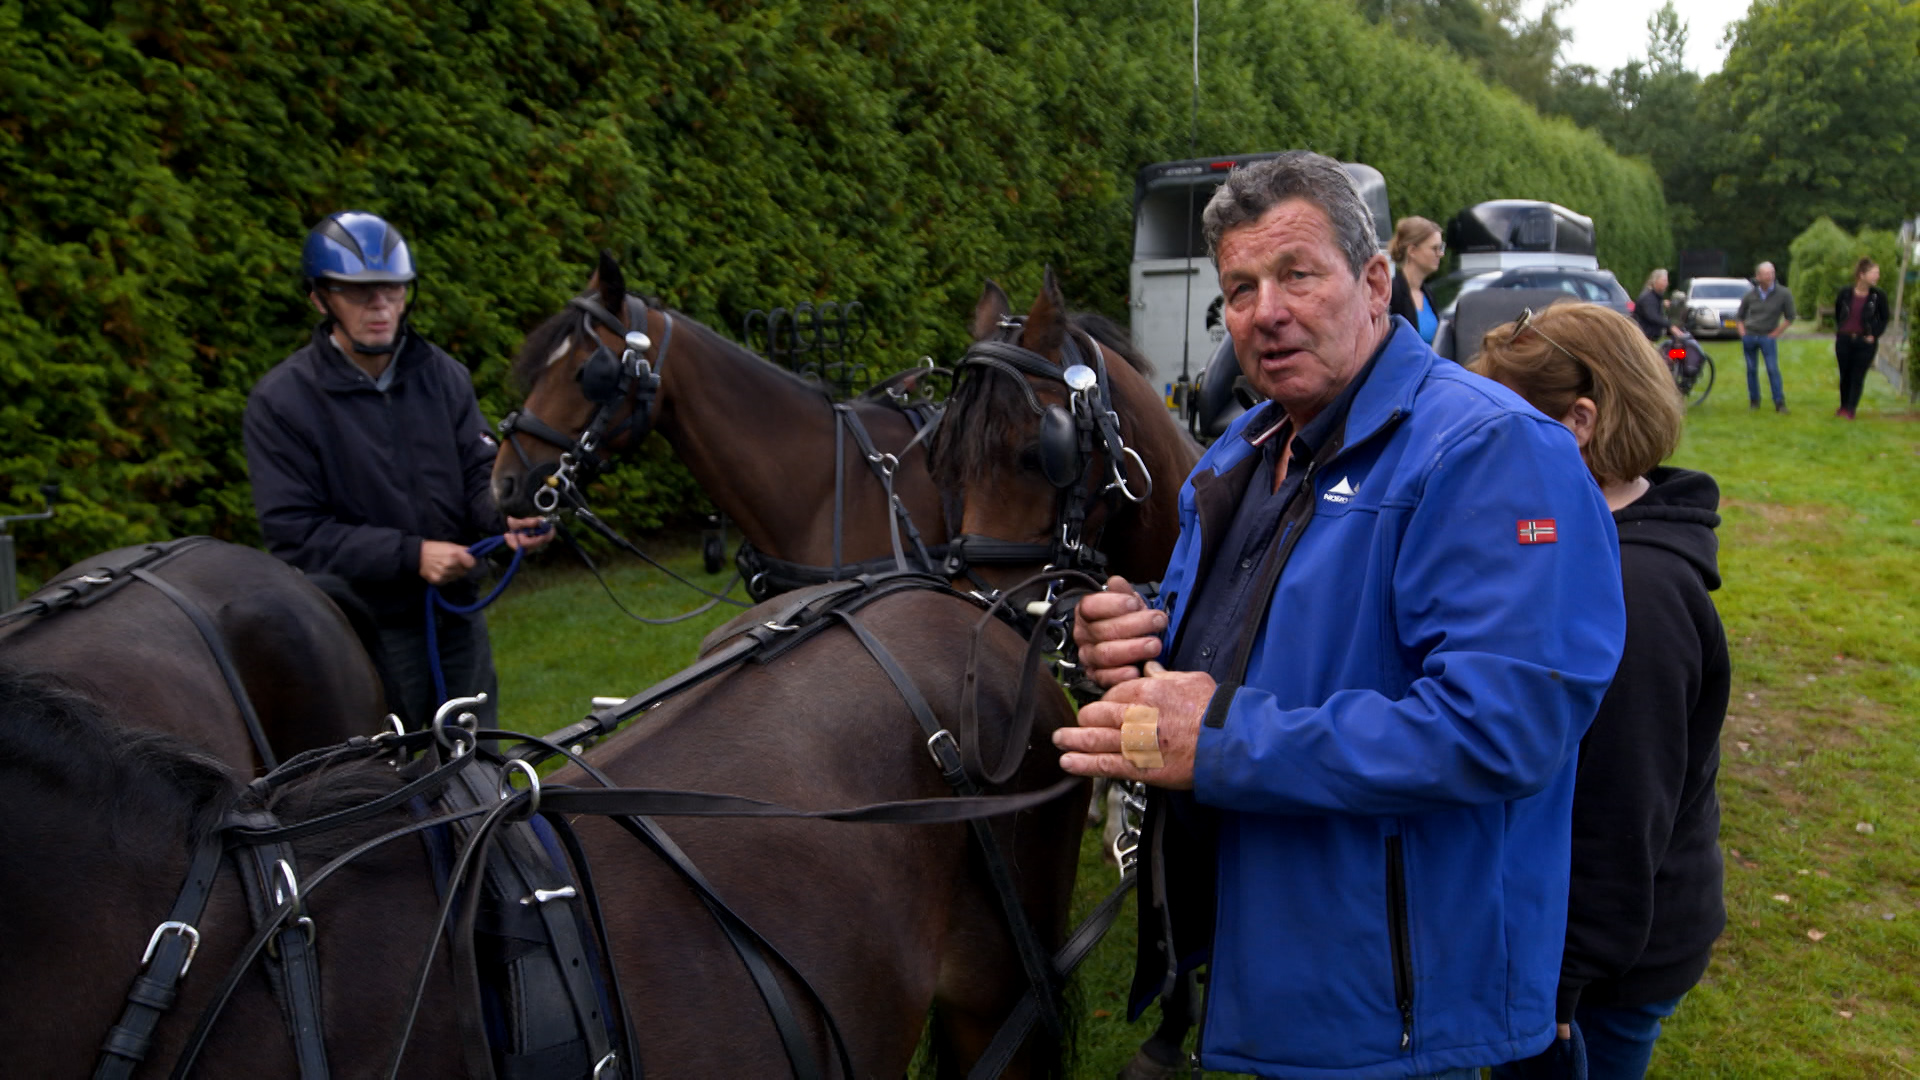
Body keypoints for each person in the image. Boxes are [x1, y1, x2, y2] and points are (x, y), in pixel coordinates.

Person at [1059, 152, 1627, 1080]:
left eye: (1297, 275)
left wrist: (1221, 736)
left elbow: (1504, 728)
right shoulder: (1247, 447)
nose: (1265, 311)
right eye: (1240, 289)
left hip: (1394, 1001)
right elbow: (1248, 638)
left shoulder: (1492, 451)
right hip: (1266, 956)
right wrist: (1134, 630)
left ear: (1373, 284)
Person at [1471, 304, 1731, 1080]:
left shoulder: (1635, 591)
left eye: (1508, 423)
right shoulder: (1576, 535)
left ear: (1579, 423)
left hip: (1599, 974)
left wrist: (1561, 984)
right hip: (1566, 937)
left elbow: (1621, 808)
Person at [243, 211, 551, 730]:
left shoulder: (444, 375)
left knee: (478, 753)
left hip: (456, 615)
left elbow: (477, 474)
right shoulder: (282, 402)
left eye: (392, 289)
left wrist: (507, 518)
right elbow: (296, 534)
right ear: (320, 299)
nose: (380, 306)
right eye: (358, 293)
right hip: (364, 629)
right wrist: (413, 555)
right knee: (393, 766)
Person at [1832, 257, 1890, 420]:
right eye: (1874, 273)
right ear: (1862, 274)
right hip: (1844, 340)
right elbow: (1838, 312)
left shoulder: (1878, 296)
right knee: (1845, 374)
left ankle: (1851, 408)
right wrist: (1841, 329)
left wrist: (1874, 334)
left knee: (1857, 375)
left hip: (1865, 342)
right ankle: (1843, 406)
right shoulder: (1845, 293)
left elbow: (1884, 318)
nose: (1877, 276)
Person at [1735, 261, 1795, 413]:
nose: (1770, 277)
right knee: (1751, 369)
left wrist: (1775, 333)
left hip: (1767, 337)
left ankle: (1779, 403)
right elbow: (1739, 317)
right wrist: (1743, 333)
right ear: (1758, 277)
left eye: (1772, 273)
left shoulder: (1783, 294)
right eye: (1766, 274)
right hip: (1750, 336)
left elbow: (1790, 317)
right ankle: (1754, 401)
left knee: (1772, 369)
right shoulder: (1750, 295)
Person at [1388, 215, 1445, 344]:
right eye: (1434, 248)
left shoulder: (1427, 293)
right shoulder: (1392, 293)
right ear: (1412, 251)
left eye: (1441, 248)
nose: (1440, 254)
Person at [1633, 268, 1673, 341]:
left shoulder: (1654, 296)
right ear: (1655, 281)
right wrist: (1670, 325)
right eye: (1664, 280)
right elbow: (1653, 316)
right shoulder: (1648, 298)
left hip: (1648, 338)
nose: (1667, 284)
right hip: (1644, 338)